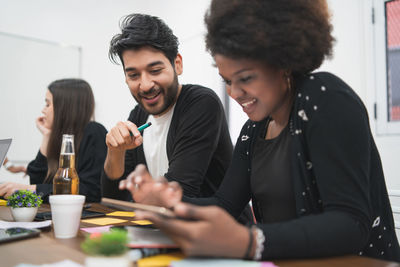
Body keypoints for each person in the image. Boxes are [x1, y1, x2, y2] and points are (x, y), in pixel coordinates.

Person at [122, 0, 400, 262]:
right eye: (227, 81)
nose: (234, 93)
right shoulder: (253, 130)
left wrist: (250, 241)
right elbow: (224, 204)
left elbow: (350, 225)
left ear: (284, 62)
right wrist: (172, 201)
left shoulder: (326, 99)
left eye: (245, 79)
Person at [102, 14, 235, 203]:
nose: (145, 85)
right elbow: (113, 199)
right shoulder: (138, 115)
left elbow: (179, 192)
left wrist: (137, 196)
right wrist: (115, 151)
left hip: (215, 230)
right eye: (133, 75)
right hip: (159, 229)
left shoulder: (201, 104)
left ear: (177, 64)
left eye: (155, 71)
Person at [0, 79, 107, 202]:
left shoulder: (94, 132)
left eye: (48, 104)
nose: (43, 110)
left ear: (64, 107)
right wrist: (46, 136)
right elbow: (37, 181)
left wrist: (33, 190)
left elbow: (89, 191)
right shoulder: (58, 138)